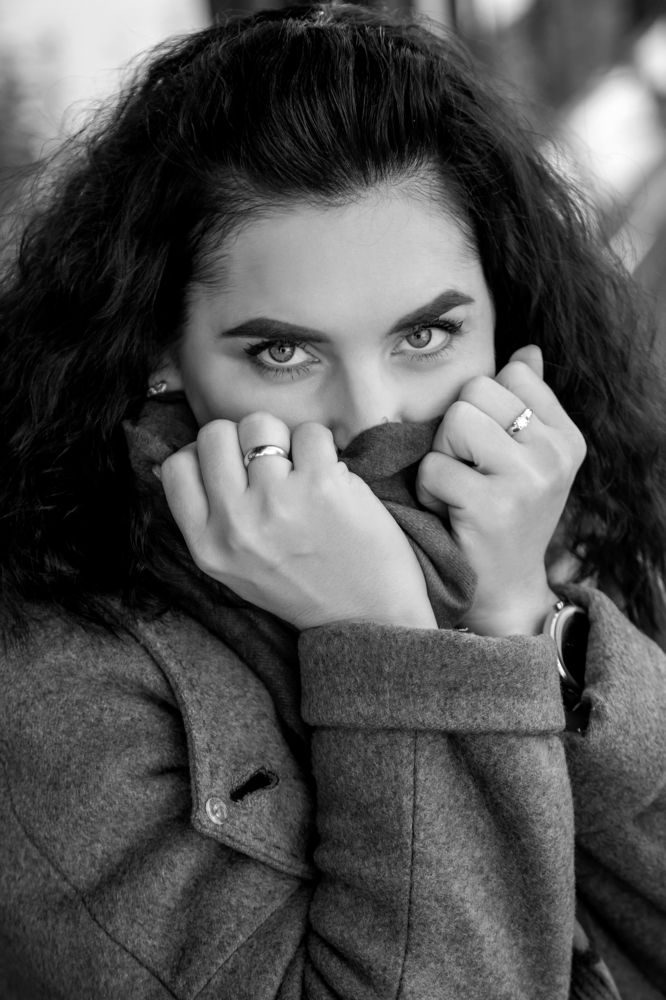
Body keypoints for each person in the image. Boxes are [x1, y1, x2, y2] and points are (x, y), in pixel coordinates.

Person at [0, 4, 665, 997]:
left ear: (504, 315)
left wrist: (521, 615)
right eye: (284, 351)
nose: (373, 415)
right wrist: (387, 642)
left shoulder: (543, 533)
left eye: (425, 336)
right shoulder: (54, 681)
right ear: (159, 354)